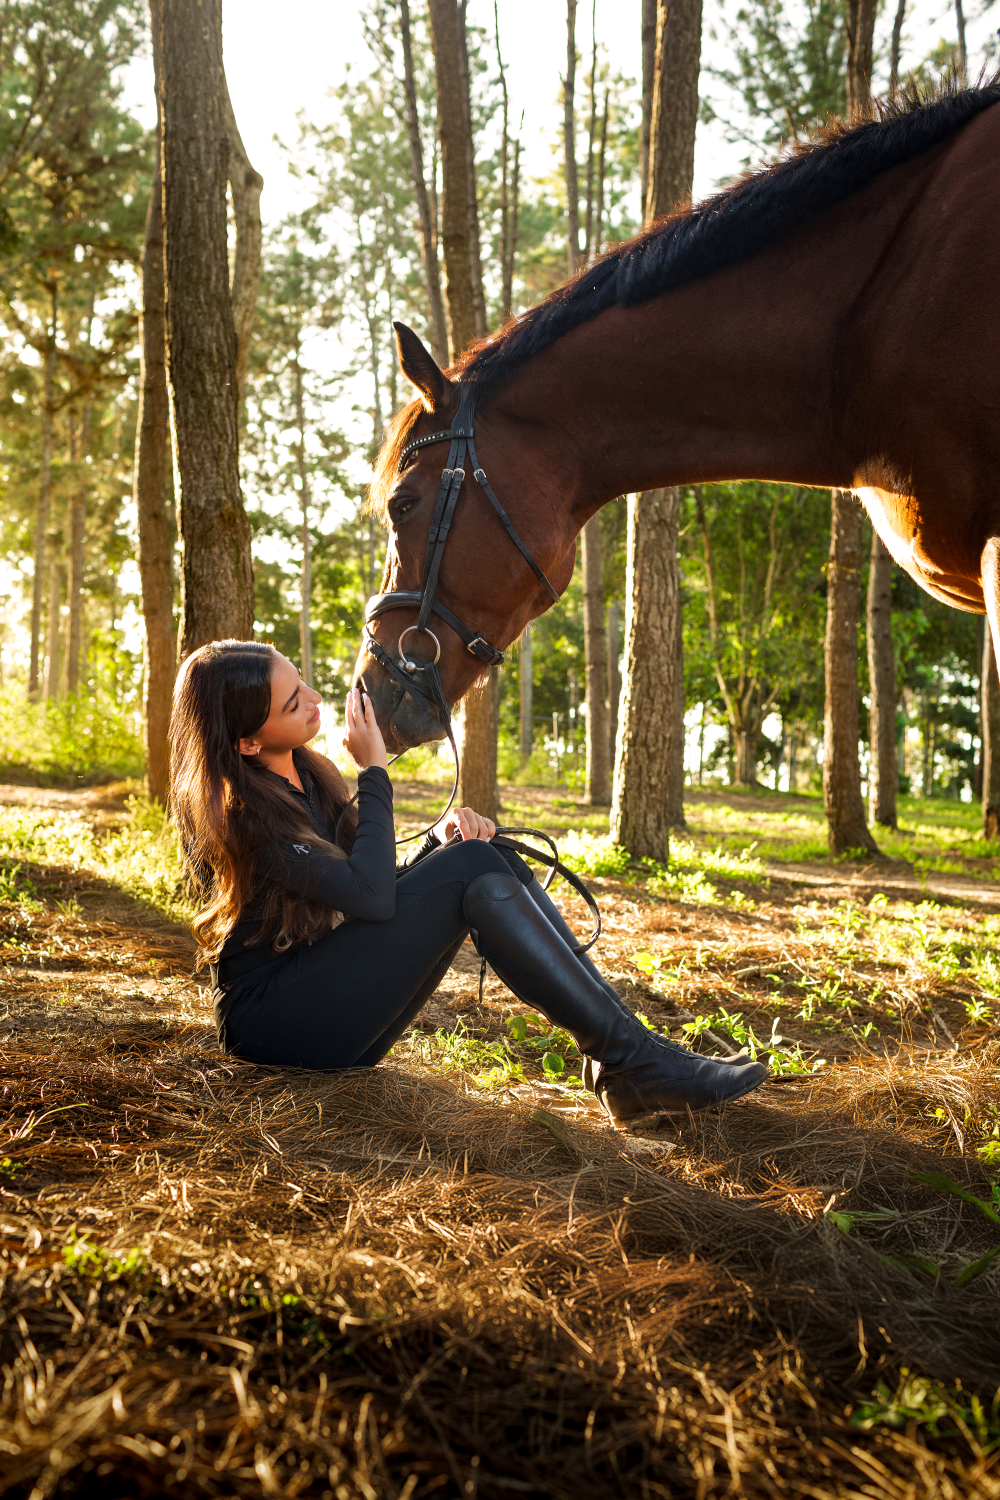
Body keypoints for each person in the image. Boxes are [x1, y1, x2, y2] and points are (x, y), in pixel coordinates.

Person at [168, 640, 770, 1125]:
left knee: (484, 857)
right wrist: (375, 771)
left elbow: (369, 891)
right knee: (469, 868)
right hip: (279, 1030)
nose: (316, 698)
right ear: (248, 741)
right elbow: (374, 900)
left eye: (302, 683)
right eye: (293, 701)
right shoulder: (246, 817)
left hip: (331, 1014)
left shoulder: (307, 774)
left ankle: (627, 1061)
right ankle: (632, 1064)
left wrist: (439, 845)